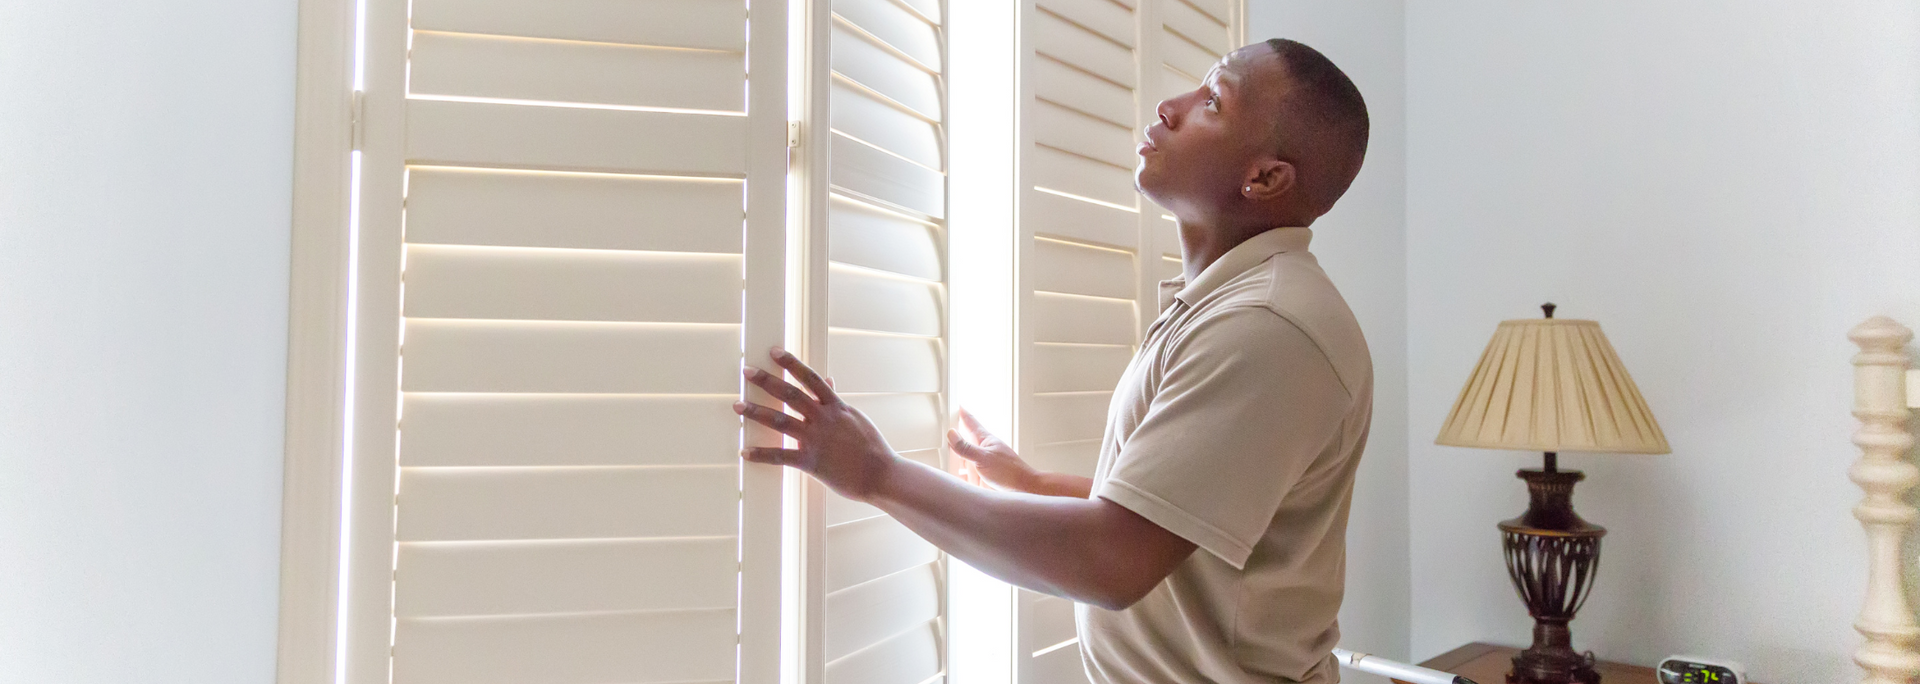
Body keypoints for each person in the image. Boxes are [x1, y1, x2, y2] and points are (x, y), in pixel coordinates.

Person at [734, 38, 1373, 684]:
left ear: (1265, 178)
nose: (1169, 107)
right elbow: (1174, 519)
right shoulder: (1231, 307)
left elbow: (1112, 560)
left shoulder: (1266, 327)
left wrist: (875, 473)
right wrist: (1035, 485)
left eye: (1212, 102)